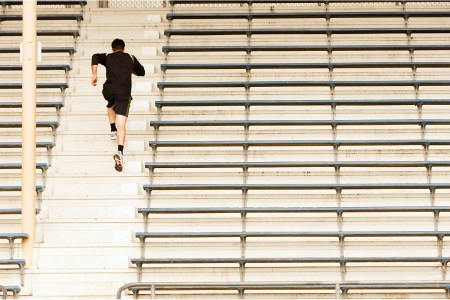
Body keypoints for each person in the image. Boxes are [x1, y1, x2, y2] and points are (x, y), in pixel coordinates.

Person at [91, 38, 145, 172]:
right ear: (124, 48)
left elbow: (95, 57)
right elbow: (142, 72)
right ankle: (120, 151)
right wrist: (129, 70)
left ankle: (112, 129)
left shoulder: (108, 57)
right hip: (124, 94)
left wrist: (94, 75)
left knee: (110, 104)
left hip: (108, 90)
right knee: (122, 125)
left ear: (112, 49)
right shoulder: (131, 58)